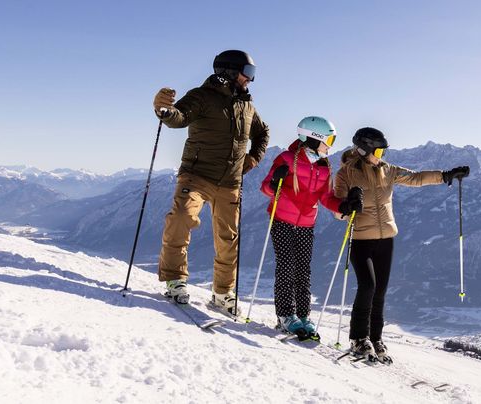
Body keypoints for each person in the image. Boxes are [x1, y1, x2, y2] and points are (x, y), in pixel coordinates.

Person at [333, 127, 469, 362]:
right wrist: (346, 207)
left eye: (383, 151)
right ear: (364, 149)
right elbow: (337, 208)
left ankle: (375, 338)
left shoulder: (387, 170)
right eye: (378, 150)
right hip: (361, 240)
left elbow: (416, 178)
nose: (382, 155)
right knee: (367, 286)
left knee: (380, 292)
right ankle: (358, 338)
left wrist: (445, 175)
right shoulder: (346, 174)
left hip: (386, 240)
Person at [151, 50, 269, 316]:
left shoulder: (247, 105)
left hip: (230, 182)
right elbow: (178, 118)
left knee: (228, 238)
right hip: (197, 175)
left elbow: (263, 133)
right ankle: (175, 280)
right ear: (228, 71)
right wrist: (164, 110)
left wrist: (252, 159)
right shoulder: (202, 96)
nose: (251, 80)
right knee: (181, 217)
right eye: (247, 73)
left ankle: (223, 294)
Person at [261, 117, 363, 341]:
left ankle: (304, 316)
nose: (331, 145)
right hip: (282, 219)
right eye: (329, 139)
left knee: (303, 270)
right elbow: (266, 188)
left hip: (307, 223)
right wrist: (273, 183)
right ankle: (285, 315)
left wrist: (343, 205)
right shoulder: (287, 158)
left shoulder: (324, 165)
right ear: (314, 138)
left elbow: (325, 197)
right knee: (287, 266)